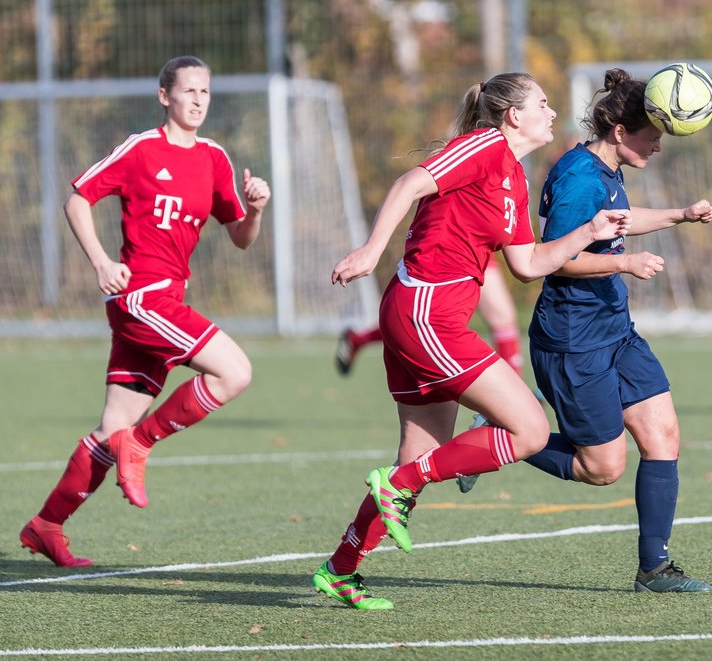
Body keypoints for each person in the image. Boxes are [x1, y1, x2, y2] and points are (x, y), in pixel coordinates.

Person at [312, 72, 630, 611]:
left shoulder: (515, 175)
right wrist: (370, 249)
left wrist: (587, 233)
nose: (554, 114)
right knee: (527, 429)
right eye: (544, 104)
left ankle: (341, 569)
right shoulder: (483, 145)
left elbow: (528, 265)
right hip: (426, 312)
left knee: (420, 456)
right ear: (513, 116)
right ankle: (397, 488)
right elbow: (412, 183)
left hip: (426, 314)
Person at [19, 56, 271, 568]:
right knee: (235, 371)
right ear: (165, 96)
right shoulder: (141, 148)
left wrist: (257, 207)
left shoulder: (215, 159)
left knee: (110, 428)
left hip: (166, 299)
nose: (199, 100)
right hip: (139, 297)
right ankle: (143, 441)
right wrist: (99, 262)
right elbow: (77, 200)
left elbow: (241, 239)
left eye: (206, 91)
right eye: (189, 91)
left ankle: (46, 525)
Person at [507, 68, 712, 592]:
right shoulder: (578, 178)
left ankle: (655, 569)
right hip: (573, 339)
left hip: (614, 330)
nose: (659, 148)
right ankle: (503, 434)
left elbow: (619, 217)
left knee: (663, 434)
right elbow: (551, 261)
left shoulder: (603, 166)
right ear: (620, 132)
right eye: (653, 137)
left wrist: (680, 215)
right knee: (602, 469)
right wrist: (623, 266)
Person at [336, 264, 525, 378]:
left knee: (503, 319)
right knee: (502, 318)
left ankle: (359, 339)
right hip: (459, 244)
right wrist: (374, 245)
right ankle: (516, 401)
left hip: (481, 246)